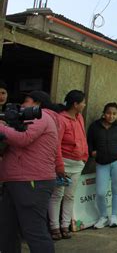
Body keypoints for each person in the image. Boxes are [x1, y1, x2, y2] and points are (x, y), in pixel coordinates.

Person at [0, 91, 60, 253]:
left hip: (31, 181)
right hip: (15, 181)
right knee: (7, 231)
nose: (22, 106)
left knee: (34, 231)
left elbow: (23, 138)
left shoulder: (42, 117)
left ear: (37, 104)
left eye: (26, 101)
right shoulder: (28, 120)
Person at [48, 90, 88, 240]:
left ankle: (65, 225)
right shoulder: (61, 119)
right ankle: (54, 227)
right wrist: (59, 165)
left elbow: (83, 137)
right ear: (75, 104)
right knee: (57, 195)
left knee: (70, 196)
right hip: (63, 162)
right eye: (82, 102)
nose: (84, 104)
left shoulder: (79, 118)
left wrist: (84, 157)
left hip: (77, 164)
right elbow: (56, 144)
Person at [87, 102, 117, 229]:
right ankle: (103, 217)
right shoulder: (95, 126)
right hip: (101, 163)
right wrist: (92, 152)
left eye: (114, 114)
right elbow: (89, 141)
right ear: (104, 114)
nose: (111, 116)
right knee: (100, 192)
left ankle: (114, 217)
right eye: (109, 113)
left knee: (116, 190)